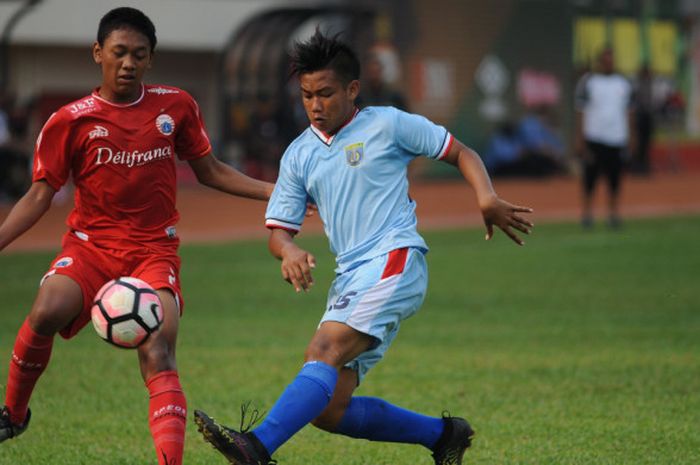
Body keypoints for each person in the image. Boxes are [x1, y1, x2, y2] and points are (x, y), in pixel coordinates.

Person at [194, 30, 533, 465]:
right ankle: (444, 435)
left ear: (352, 89)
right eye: (307, 95)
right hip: (351, 277)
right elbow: (279, 232)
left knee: (322, 352)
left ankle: (256, 447)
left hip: (396, 258)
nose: (316, 105)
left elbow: (460, 152)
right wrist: (289, 252)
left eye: (326, 93)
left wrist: (485, 196)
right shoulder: (298, 155)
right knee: (329, 409)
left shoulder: (388, 123)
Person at [0, 8, 275, 465]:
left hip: (153, 253)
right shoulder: (69, 121)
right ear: (98, 54)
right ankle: (13, 413)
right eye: (119, 52)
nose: (128, 62)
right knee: (47, 308)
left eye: (139, 55)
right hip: (89, 249)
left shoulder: (176, 105)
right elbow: (37, 196)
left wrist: (273, 191)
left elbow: (209, 170)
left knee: (159, 347)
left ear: (151, 59)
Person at [575, 48, 635, 228]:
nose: (609, 64)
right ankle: (587, 214)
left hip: (617, 138)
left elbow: (630, 111)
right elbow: (580, 111)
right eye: (605, 60)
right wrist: (580, 138)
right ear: (599, 62)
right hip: (595, 137)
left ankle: (613, 214)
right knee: (590, 178)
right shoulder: (588, 82)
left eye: (611, 60)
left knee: (615, 178)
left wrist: (632, 136)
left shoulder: (623, 83)